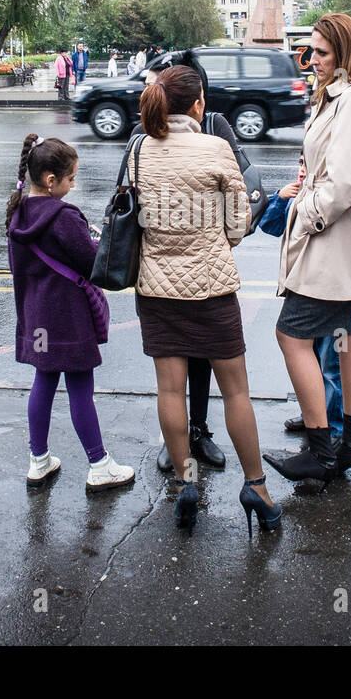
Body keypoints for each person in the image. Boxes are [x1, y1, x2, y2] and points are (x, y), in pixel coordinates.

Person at [131, 63, 280, 535]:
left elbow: (135, 216)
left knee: (170, 389)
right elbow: (238, 227)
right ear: (197, 105)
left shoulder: (140, 150)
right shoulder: (216, 147)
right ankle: (255, 487)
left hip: (157, 289)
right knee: (235, 389)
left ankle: (185, 481)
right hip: (212, 288)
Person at [265, 13, 351, 486]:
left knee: (291, 335)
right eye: (310, 51)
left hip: (334, 244)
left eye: (321, 52)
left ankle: (322, 451)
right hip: (347, 246)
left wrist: (305, 215)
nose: (311, 60)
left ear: (345, 53)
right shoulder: (343, 96)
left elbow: (344, 184)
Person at [7, 133, 136, 491]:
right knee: (81, 386)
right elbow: (92, 261)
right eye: (71, 178)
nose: (74, 184)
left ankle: (39, 460)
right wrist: (98, 239)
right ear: (51, 181)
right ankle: (99, 464)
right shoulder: (63, 216)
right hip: (68, 315)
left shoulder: (17, 212)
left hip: (37, 316)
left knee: (43, 382)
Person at [129, 50, 233, 476]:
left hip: (180, 277)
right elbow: (131, 200)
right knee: (190, 377)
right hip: (196, 277)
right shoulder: (142, 141)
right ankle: (183, 451)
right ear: (195, 99)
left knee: (194, 368)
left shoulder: (217, 130)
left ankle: (196, 439)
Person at [258, 161, 344, 440]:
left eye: (309, 164)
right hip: (302, 288)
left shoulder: (329, 196)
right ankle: (314, 416)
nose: (303, 170)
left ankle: (332, 426)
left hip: (330, 289)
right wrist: (279, 198)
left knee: (331, 362)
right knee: (309, 357)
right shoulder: (296, 193)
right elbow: (270, 227)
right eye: (300, 163)